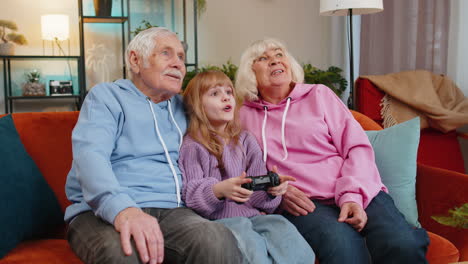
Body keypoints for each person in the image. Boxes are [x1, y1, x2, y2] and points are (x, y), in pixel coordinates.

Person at [235, 38, 430, 264]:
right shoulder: (242, 116)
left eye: (279, 54)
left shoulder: (319, 95)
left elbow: (357, 148)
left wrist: (352, 197)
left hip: (355, 187)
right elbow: (239, 169)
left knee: (403, 243)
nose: (274, 61)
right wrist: (276, 194)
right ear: (250, 73)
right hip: (304, 201)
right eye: (263, 58)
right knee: (344, 251)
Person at [64, 27, 242, 264]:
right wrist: (122, 210)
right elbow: (90, 156)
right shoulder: (106, 96)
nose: (179, 64)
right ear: (135, 60)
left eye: (181, 57)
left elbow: (229, 132)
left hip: (175, 211)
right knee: (124, 252)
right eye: (166, 53)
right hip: (101, 211)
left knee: (217, 239)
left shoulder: (186, 107)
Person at [179, 70, 315, 264]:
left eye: (228, 92)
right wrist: (218, 190)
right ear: (196, 106)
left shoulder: (245, 140)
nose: (226, 97)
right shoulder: (193, 146)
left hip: (254, 216)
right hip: (220, 222)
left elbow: (258, 194)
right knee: (253, 253)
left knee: (289, 238)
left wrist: (271, 190)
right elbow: (191, 195)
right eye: (215, 93)